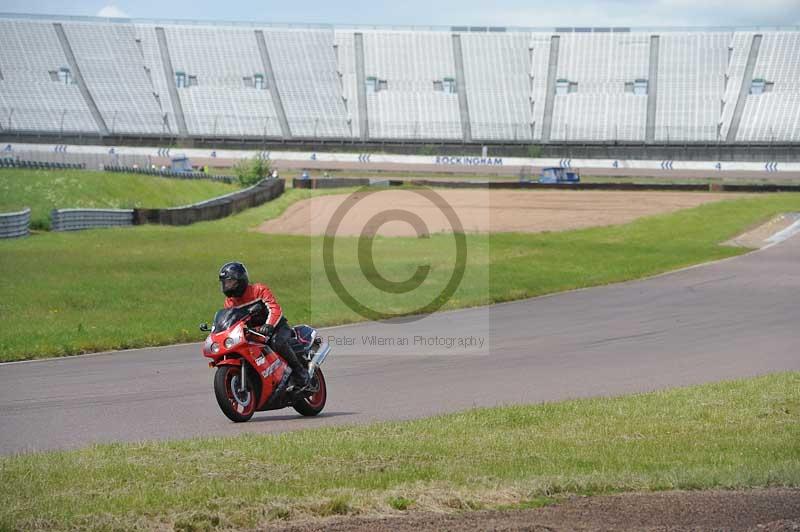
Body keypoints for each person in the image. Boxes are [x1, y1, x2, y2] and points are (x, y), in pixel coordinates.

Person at [218, 262, 311, 388]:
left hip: (276, 327)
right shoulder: (229, 302)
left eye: (230, 282)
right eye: (224, 283)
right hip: (253, 333)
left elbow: (275, 309)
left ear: (241, 280)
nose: (227, 286)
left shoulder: (258, 290)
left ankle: (301, 372)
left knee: (277, 341)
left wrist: (269, 325)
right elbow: (230, 322)